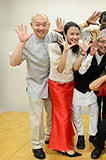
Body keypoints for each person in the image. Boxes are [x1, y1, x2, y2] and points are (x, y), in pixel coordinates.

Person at [9, 13, 63, 159]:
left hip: (52, 83)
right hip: (35, 84)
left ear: (49, 25)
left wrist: (62, 31)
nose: (41, 27)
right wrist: (21, 42)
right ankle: (37, 146)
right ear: (31, 25)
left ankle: (49, 136)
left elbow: (72, 36)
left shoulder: (53, 36)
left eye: (44, 24)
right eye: (37, 24)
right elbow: (13, 62)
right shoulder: (26, 41)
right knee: (36, 118)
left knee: (53, 113)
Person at [72, 28, 106, 149]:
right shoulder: (86, 51)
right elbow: (81, 70)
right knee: (76, 112)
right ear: (97, 41)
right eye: (102, 41)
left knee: (94, 112)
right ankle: (80, 136)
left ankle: (93, 134)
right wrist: (90, 55)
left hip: (92, 89)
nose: (104, 45)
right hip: (78, 87)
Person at [48, 21, 90, 157]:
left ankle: (59, 144)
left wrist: (83, 52)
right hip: (57, 84)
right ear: (64, 34)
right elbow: (60, 69)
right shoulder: (54, 46)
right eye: (72, 34)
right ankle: (64, 147)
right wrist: (65, 51)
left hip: (69, 84)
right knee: (62, 116)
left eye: (77, 34)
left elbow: (76, 67)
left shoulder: (76, 47)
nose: (75, 36)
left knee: (65, 115)